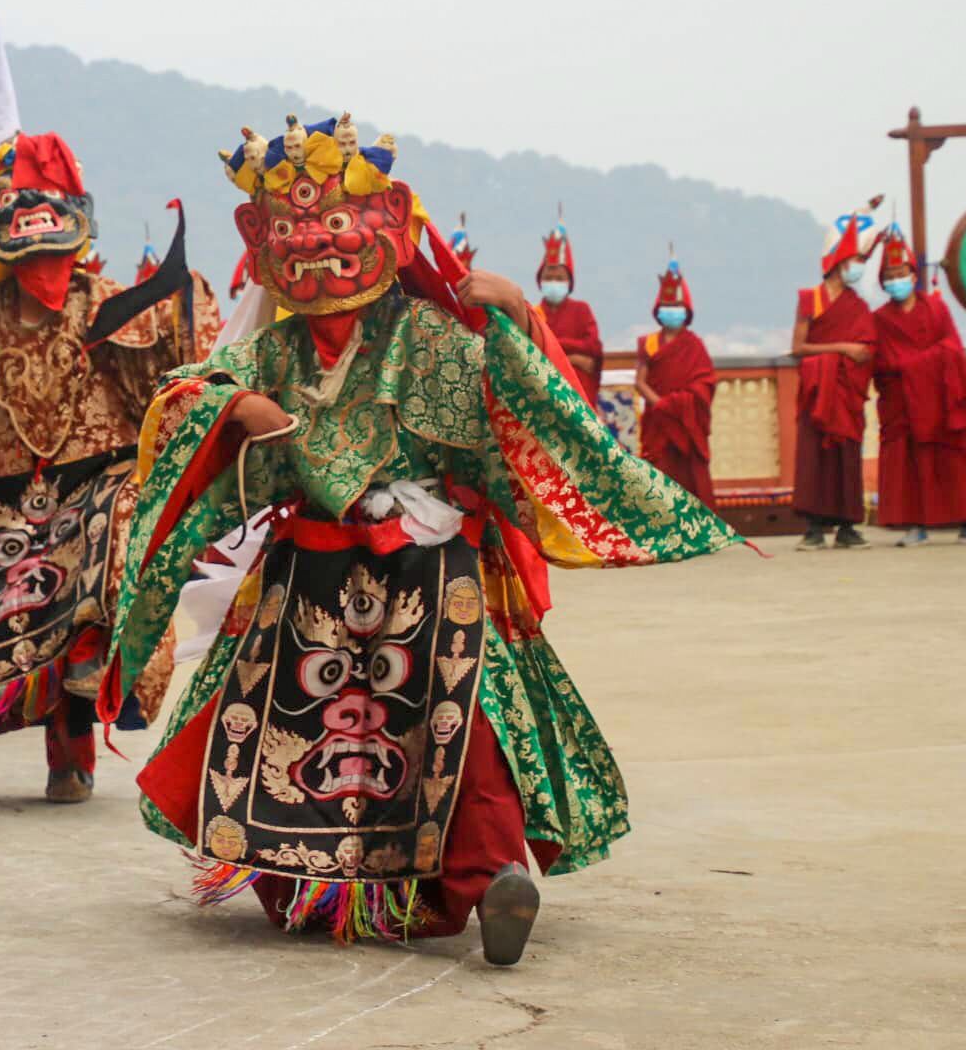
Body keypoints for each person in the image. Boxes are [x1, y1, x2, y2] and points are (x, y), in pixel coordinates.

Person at [107, 114, 741, 965]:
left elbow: (529, 426)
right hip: (307, 580)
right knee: (293, 728)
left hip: (432, 569)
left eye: (332, 222)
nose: (312, 243)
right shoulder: (271, 352)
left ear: (390, 224)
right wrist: (226, 406)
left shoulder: (435, 340)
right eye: (289, 226)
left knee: (467, 727)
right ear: (259, 238)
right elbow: (186, 395)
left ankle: (491, 883)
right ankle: (325, 885)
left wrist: (516, 314)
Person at [0, 129, 218, 804]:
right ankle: (67, 759)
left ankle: (106, 658)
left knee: (121, 525)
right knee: (34, 639)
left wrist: (187, 303)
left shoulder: (109, 302)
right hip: (6, 496)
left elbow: (172, 372)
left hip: (98, 481)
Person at [869, 227, 966, 547]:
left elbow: (953, 348)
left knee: (953, 462)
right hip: (903, 404)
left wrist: (915, 364)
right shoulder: (879, 319)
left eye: (901, 272)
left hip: (940, 399)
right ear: (883, 282)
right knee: (909, 465)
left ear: (913, 275)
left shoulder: (938, 309)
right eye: (890, 274)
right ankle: (915, 525)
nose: (896, 279)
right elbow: (884, 363)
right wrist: (925, 361)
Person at [790, 196, 882, 551]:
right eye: (856, 260)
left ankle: (847, 527)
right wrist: (842, 349)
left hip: (845, 392)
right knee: (815, 458)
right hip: (818, 390)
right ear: (839, 261)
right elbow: (798, 347)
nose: (858, 267)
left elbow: (868, 349)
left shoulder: (858, 305)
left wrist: (856, 354)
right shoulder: (809, 298)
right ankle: (813, 528)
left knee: (846, 457)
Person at [635, 255, 717, 507]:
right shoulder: (647, 342)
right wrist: (660, 404)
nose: (672, 311)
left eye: (677, 305)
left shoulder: (695, 345)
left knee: (690, 475)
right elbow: (640, 380)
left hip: (685, 422)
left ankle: (699, 529)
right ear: (658, 310)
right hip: (658, 419)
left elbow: (706, 382)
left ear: (687, 311)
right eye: (668, 305)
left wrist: (676, 405)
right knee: (659, 474)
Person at [533, 219, 603, 411]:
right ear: (540, 281)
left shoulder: (582, 310)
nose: (553, 281)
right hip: (546, 392)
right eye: (548, 277)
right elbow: (533, 349)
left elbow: (592, 346)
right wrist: (573, 358)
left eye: (559, 278)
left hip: (578, 393)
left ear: (569, 282)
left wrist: (555, 345)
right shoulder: (534, 314)